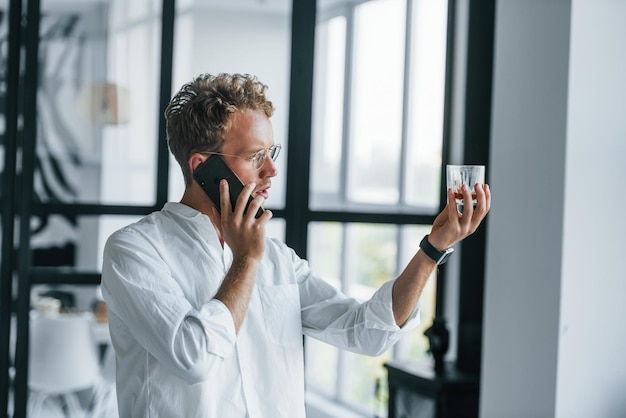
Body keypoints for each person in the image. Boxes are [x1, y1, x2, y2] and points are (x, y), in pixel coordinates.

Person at [101, 73, 491, 418]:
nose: (271, 171)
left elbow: (367, 331)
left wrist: (433, 248)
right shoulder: (134, 251)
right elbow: (194, 356)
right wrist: (246, 260)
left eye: (272, 153)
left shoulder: (278, 259)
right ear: (202, 166)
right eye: (256, 156)